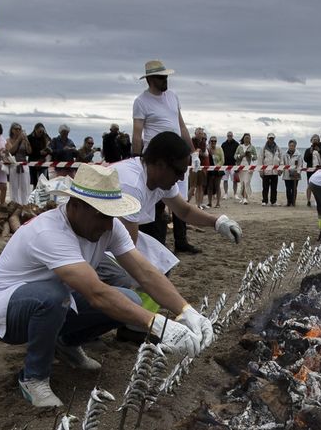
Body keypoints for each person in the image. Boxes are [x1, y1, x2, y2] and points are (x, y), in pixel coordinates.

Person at [0, 162, 210, 408]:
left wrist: (185, 310)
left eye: (111, 216)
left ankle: (66, 343)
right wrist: (156, 323)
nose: (108, 225)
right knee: (53, 296)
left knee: (130, 300)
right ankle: (33, 377)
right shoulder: (50, 232)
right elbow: (96, 293)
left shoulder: (108, 225)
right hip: (5, 312)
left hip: (60, 301)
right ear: (75, 206)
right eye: (101, 215)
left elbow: (145, 272)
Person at [104, 131, 242, 306]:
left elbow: (183, 211)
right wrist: (181, 307)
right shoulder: (131, 185)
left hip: (116, 236)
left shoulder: (159, 177)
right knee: (123, 279)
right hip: (92, 241)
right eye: (179, 171)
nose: (182, 178)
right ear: (161, 164)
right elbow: (127, 248)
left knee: (162, 266)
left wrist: (217, 222)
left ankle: (134, 330)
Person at [132, 60, 198, 255]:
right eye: (161, 77)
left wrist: (192, 152)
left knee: (180, 198)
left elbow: (182, 126)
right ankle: (154, 242)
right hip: (158, 158)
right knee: (157, 203)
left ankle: (181, 241)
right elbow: (137, 133)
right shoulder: (141, 101)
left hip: (177, 155)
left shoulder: (172, 97)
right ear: (151, 79)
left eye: (166, 76)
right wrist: (137, 158)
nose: (165, 80)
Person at [6, 122, 31, 204]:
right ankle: (15, 203)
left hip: (24, 165)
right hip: (14, 165)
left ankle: (25, 204)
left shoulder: (24, 140)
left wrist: (26, 140)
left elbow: (29, 151)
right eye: (16, 129)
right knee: (14, 187)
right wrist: (18, 140)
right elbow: (11, 151)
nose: (18, 130)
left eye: (19, 129)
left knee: (25, 187)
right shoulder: (8, 140)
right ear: (12, 130)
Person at [259, 133, 281, 205]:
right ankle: (264, 201)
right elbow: (260, 160)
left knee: (274, 188)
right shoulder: (263, 148)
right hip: (266, 171)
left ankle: (273, 201)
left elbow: (281, 159)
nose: (271, 139)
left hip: (275, 171)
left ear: (274, 139)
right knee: (265, 187)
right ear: (267, 138)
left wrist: (280, 169)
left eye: (272, 138)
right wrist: (261, 171)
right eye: (270, 138)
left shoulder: (278, 148)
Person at [27, 122, 51, 188]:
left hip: (43, 161)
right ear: (35, 130)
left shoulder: (46, 137)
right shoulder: (30, 138)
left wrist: (47, 150)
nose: (40, 133)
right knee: (34, 182)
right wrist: (39, 152)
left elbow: (50, 146)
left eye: (42, 132)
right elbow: (28, 152)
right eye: (39, 131)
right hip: (33, 161)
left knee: (44, 182)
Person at [303, 134, 321, 206]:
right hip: (310, 170)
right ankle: (308, 200)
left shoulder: (320, 148)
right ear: (311, 141)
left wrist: (319, 150)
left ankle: (318, 200)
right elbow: (305, 159)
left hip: (318, 169)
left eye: (316, 139)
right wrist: (310, 152)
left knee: (319, 185)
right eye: (314, 140)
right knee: (309, 185)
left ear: (318, 141)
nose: (315, 141)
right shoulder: (308, 150)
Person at [236, 133, 255, 204]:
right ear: (243, 138)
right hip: (240, 167)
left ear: (250, 139)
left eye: (248, 138)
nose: (247, 139)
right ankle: (243, 197)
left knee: (247, 182)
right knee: (242, 183)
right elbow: (235, 156)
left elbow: (255, 157)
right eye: (246, 138)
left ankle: (245, 198)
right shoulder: (239, 147)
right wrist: (240, 155)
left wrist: (251, 155)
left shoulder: (252, 147)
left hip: (249, 167)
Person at [282, 138, 301, 206]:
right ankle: (288, 202)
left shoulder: (298, 154)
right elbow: (282, 163)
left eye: (293, 145)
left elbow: (300, 165)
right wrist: (281, 170)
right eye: (290, 145)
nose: (291, 147)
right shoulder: (285, 154)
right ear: (288, 146)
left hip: (295, 174)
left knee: (294, 188)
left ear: (295, 146)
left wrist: (298, 173)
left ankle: (293, 201)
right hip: (287, 173)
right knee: (288, 189)